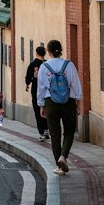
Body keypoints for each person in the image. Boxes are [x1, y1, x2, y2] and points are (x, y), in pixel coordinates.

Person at [37, 38, 83, 175]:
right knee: (69, 131)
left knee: (54, 134)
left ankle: (59, 165)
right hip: (68, 102)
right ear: (60, 50)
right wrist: (77, 102)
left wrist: (41, 105)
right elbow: (76, 85)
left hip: (50, 102)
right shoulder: (69, 65)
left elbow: (40, 88)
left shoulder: (44, 67)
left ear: (49, 51)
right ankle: (64, 156)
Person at [25, 44, 48, 139]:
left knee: (37, 111)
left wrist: (27, 84)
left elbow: (28, 78)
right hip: (47, 91)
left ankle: (41, 132)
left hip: (36, 91)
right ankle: (47, 130)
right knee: (46, 110)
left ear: (36, 53)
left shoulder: (33, 64)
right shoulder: (47, 64)